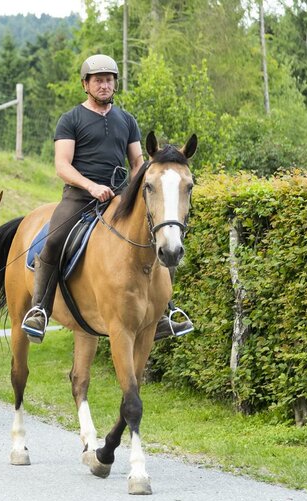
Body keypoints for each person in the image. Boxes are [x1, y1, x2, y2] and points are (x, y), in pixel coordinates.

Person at [20, 54, 194, 343]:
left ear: (115, 84)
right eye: (98, 80)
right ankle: (39, 309)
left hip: (120, 196)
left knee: (159, 239)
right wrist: (90, 187)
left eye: (109, 80)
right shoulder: (71, 119)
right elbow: (62, 165)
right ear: (86, 84)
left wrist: (139, 189)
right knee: (54, 239)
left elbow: (138, 163)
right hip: (79, 197)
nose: (104, 85)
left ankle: (164, 313)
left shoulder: (126, 120)